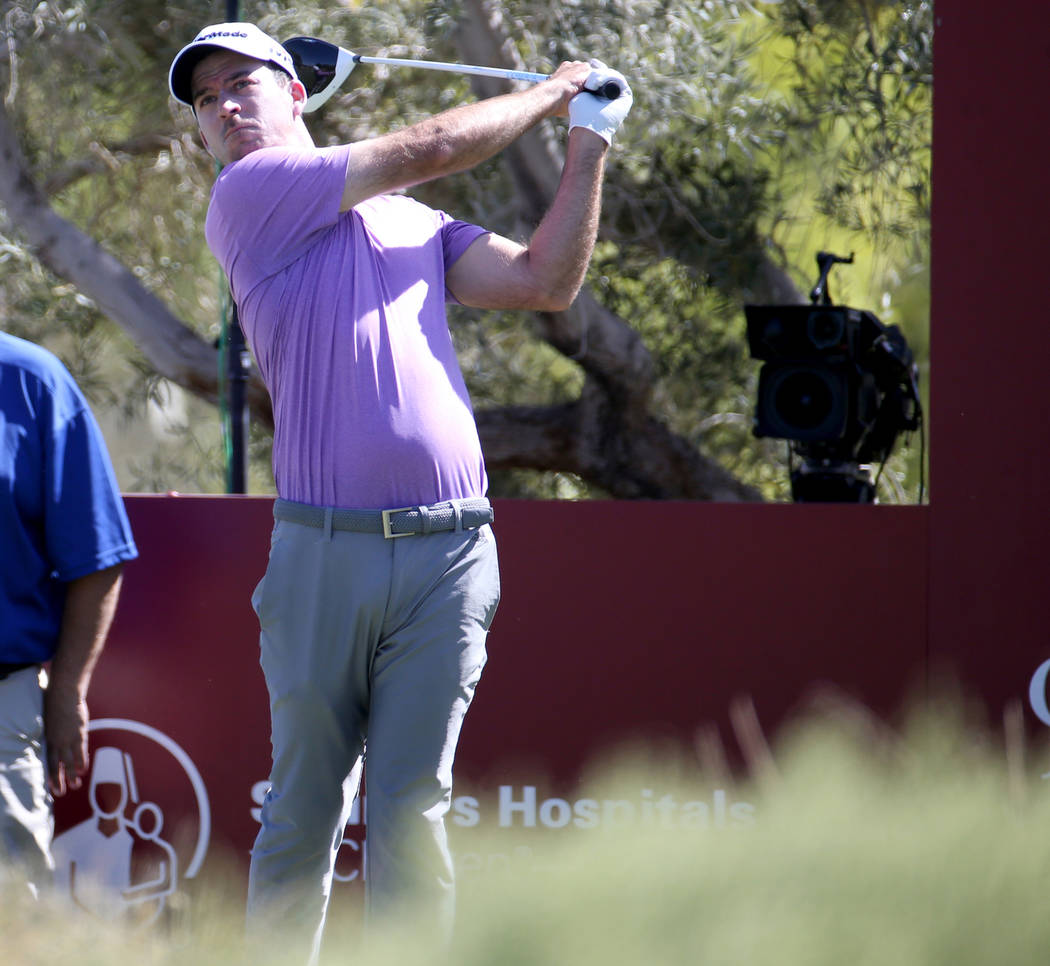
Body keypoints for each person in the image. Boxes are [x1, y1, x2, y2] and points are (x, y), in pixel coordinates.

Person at [166, 21, 631, 959]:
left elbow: (544, 280)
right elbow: (430, 147)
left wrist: (590, 141)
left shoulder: (412, 221)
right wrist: (552, 91)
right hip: (322, 552)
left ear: (295, 88)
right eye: (206, 101)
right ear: (204, 138)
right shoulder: (249, 196)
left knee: (413, 814)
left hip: (450, 553)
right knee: (304, 809)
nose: (223, 107)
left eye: (240, 84)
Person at [0, 331, 138, 897]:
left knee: (12, 919)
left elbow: (95, 557)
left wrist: (65, 691)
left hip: (3, 710)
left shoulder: (32, 381)